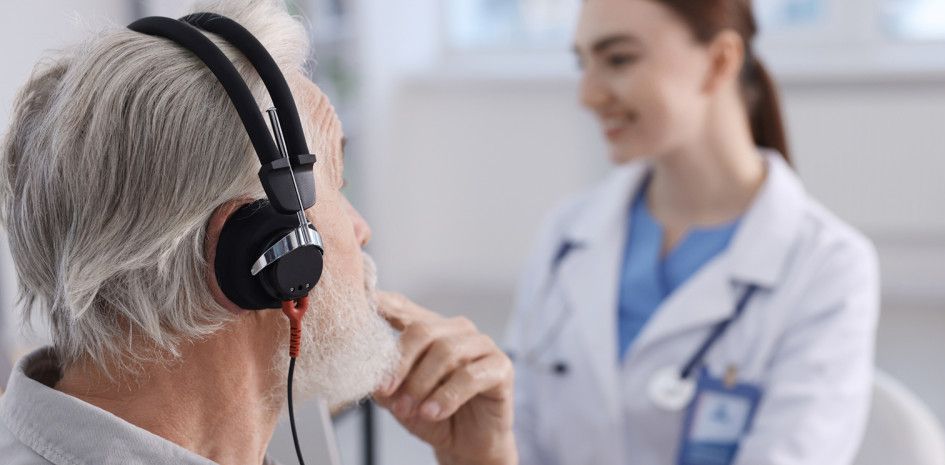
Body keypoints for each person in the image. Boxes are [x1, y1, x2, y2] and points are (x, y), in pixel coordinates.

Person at [0, 2, 515, 464]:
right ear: (257, 251)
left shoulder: (277, 437)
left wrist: (479, 459)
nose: (363, 230)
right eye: (339, 181)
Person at [505, 0, 880, 464]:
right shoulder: (567, 234)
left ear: (720, 61)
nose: (588, 94)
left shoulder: (828, 267)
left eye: (619, 59)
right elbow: (517, 434)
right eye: (583, 63)